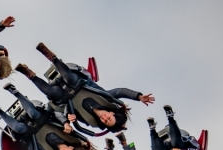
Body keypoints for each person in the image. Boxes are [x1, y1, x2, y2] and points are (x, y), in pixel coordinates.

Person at [15, 43, 154, 131]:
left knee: (49, 92)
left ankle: (29, 74)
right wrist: (139, 96)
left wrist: (70, 118)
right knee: (69, 77)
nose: (105, 119)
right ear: (112, 113)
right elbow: (120, 91)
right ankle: (52, 57)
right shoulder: (108, 100)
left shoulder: (91, 122)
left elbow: (73, 115)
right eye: (109, 118)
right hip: (78, 83)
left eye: (106, 122)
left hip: (65, 95)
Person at [0, 85, 98, 150]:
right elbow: (58, 115)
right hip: (41, 118)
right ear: (71, 147)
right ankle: (15, 92)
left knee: (18, 128)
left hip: (28, 130)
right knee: (33, 113)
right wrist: (65, 123)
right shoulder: (70, 135)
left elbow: (32, 147)